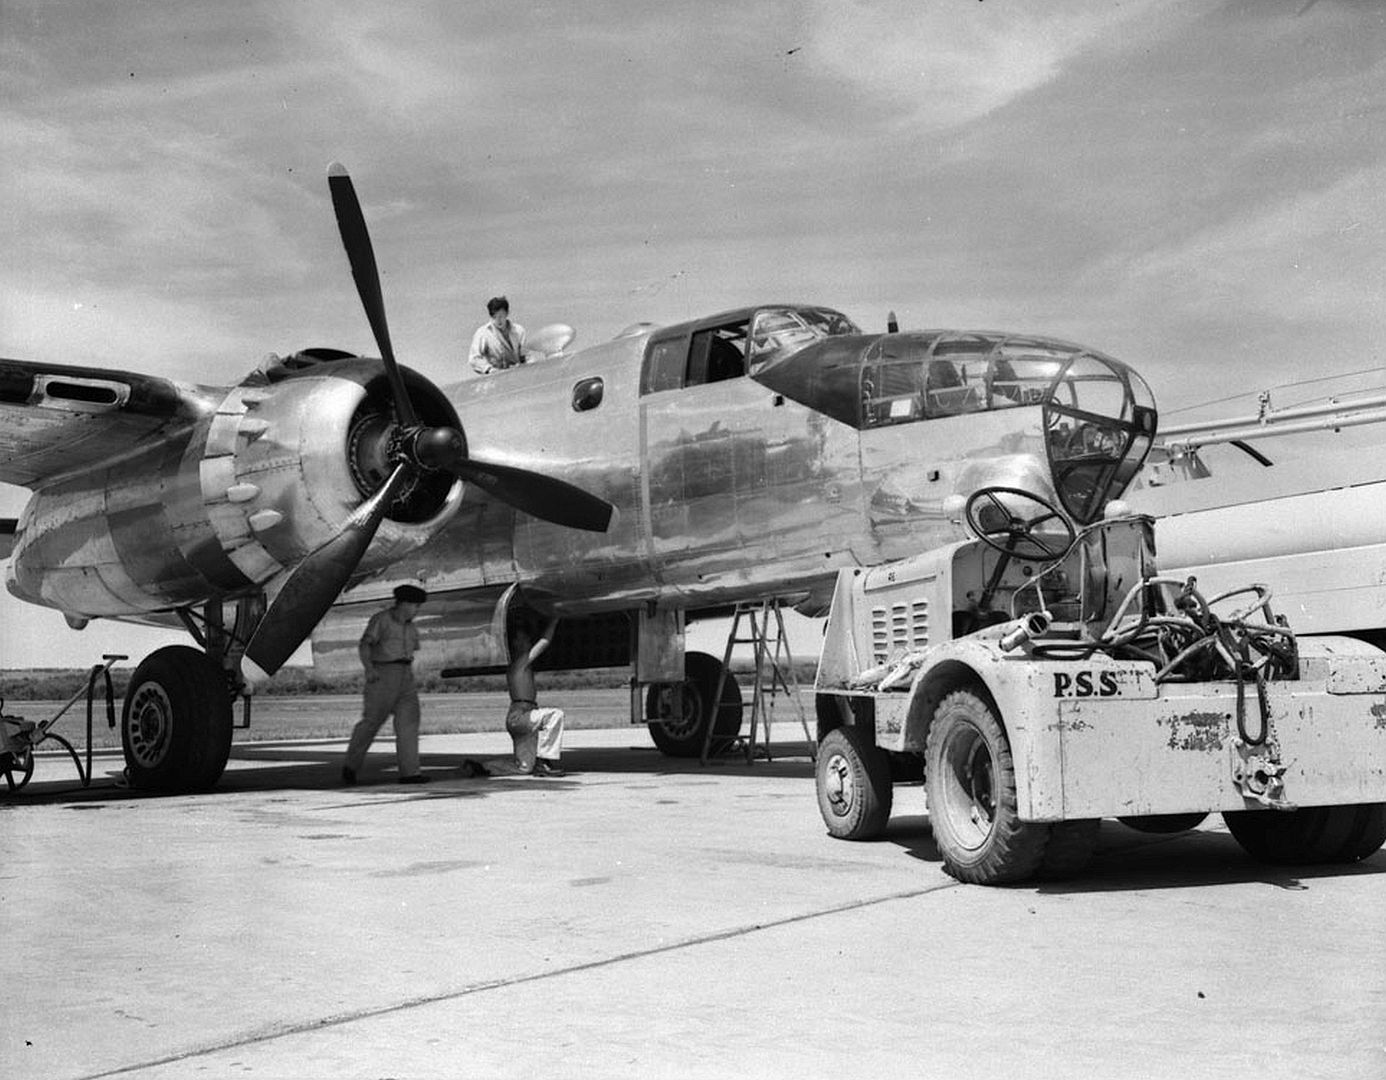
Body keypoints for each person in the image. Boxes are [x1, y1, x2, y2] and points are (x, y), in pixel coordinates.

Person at [342, 584, 430, 785]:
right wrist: (369, 669)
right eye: (415, 606)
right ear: (404, 604)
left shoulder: (411, 627)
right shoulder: (382, 620)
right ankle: (351, 765)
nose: (417, 610)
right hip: (383, 675)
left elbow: (412, 651)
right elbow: (365, 644)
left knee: (408, 724)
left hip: (405, 676)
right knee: (371, 722)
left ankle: (410, 773)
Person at [505, 615, 566, 776]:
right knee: (555, 715)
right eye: (523, 639)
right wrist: (554, 620)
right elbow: (544, 642)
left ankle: (482, 768)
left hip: (520, 715)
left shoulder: (516, 664)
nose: (527, 642)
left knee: (524, 768)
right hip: (521, 715)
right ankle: (545, 761)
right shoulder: (520, 662)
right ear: (515, 644)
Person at [468, 295, 527, 375]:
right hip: (495, 377)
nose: (498, 320)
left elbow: (526, 355)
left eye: (501, 316)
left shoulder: (519, 331)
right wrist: (489, 369)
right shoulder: (483, 333)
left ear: (507, 313)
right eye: (494, 317)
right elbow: (474, 358)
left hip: (518, 374)